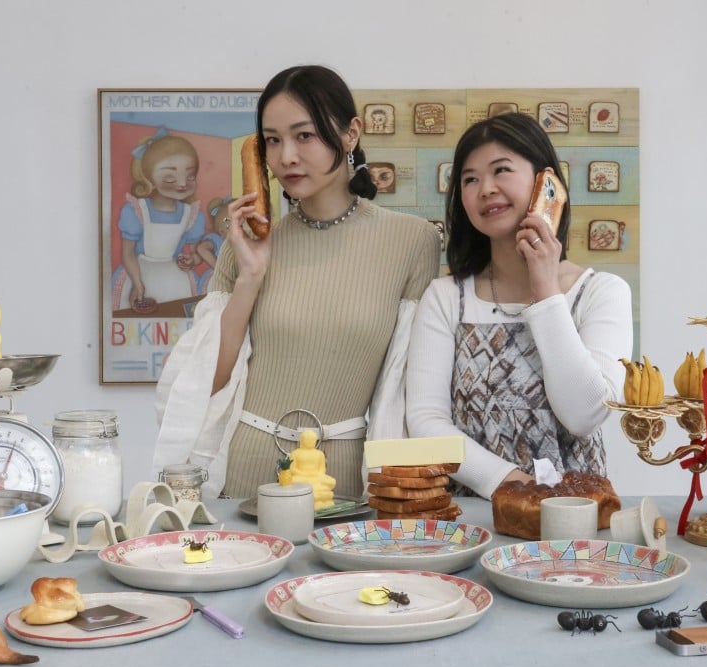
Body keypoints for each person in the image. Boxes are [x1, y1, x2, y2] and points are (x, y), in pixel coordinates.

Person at [153, 65, 440, 500]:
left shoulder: (413, 241)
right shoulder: (244, 243)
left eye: (304, 135)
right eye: (272, 140)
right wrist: (251, 276)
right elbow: (206, 383)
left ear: (351, 133)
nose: (286, 156)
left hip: (346, 482)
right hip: (248, 476)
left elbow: (407, 388)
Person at [405, 112, 633, 500]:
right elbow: (426, 422)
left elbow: (584, 414)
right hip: (469, 516)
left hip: (573, 516)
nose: (485, 189)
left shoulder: (601, 292)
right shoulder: (445, 297)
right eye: (470, 179)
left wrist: (546, 290)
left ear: (547, 184)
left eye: (501, 170)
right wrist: (513, 484)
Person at [112, 126, 206, 312]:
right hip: (139, 275)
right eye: (170, 178)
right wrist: (137, 283)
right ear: (149, 178)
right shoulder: (137, 211)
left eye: (190, 176)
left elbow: (196, 254)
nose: (182, 183)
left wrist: (192, 260)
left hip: (176, 280)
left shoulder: (191, 214)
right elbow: (128, 253)